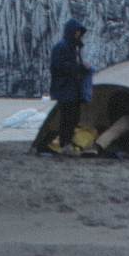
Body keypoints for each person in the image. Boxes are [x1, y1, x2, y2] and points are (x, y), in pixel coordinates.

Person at [49, 18, 91, 155]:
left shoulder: (73, 47)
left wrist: (81, 68)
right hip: (65, 88)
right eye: (77, 32)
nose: (78, 34)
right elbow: (59, 66)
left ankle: (66, 143)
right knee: (68, 117)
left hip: (72, 88)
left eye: (79, 32)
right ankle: (64, 144)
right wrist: (80, 67)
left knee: (73, 116)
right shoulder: (62, 47)